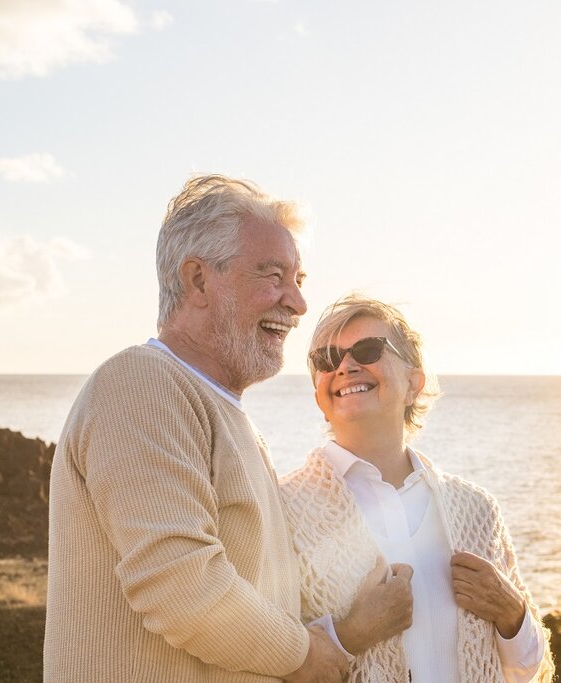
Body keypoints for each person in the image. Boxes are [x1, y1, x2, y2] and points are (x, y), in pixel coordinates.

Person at [44, 176, 406, 682]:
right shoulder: (142, 384)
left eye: (299, 279)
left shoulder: (224, 413)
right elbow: (180, 585)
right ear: (197, 281)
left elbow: (259, 608)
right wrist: (308, 655)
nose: (298, 303)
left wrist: (348, 632)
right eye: (273, 275)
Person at [280, 295, 555, 682]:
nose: (344, 366)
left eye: (368, 349)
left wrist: (512, 613)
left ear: (414, 383)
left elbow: (527, 670)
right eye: (326, 359)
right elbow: (266, 665)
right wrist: (351, 634)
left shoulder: (475, 509)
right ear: (319, 396)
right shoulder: (282, 508)